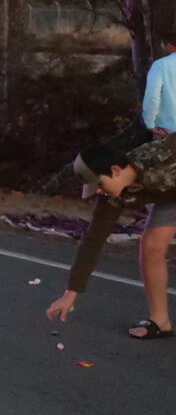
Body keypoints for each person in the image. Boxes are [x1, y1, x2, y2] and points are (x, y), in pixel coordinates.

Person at [46, 137, 176, 339]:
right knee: (151, 246)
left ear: (115, 170)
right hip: (170, 195)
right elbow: (93, 240)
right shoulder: (112, 197)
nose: (98, 191)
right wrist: (70, 294)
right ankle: (161, 321)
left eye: (99, 183)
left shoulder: (161, 156)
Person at [143, 29, 176, 137]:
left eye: (163, 44)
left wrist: (150, 124)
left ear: (170, 45)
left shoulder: (160, 65)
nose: (162, 47)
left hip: (168, 130)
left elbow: (153, 97)